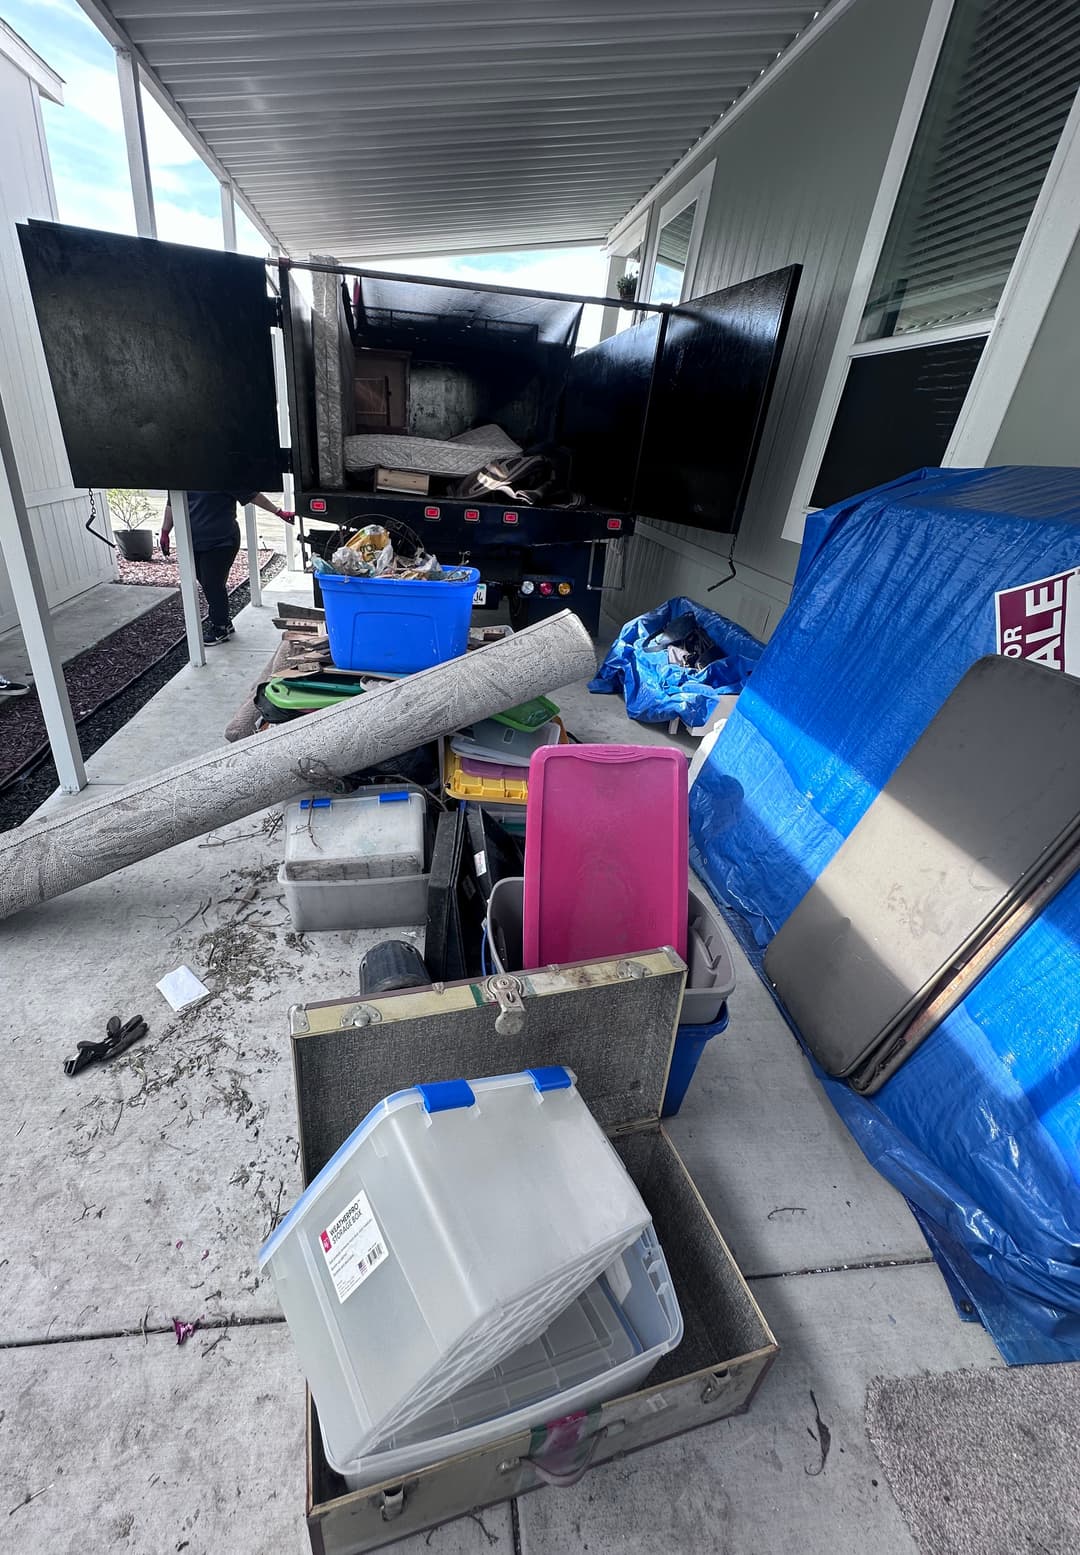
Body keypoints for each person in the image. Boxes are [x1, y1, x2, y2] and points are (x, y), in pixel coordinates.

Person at [161, 492, 294, 645]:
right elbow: (172, 504)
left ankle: (220, 628)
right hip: (193, 543)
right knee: (206, 582)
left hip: (222, 542)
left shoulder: (222, 478)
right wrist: (165, 531)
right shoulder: (178, 480)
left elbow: (251, 494)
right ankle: (225, 622)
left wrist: (278, 512)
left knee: (212, 584)